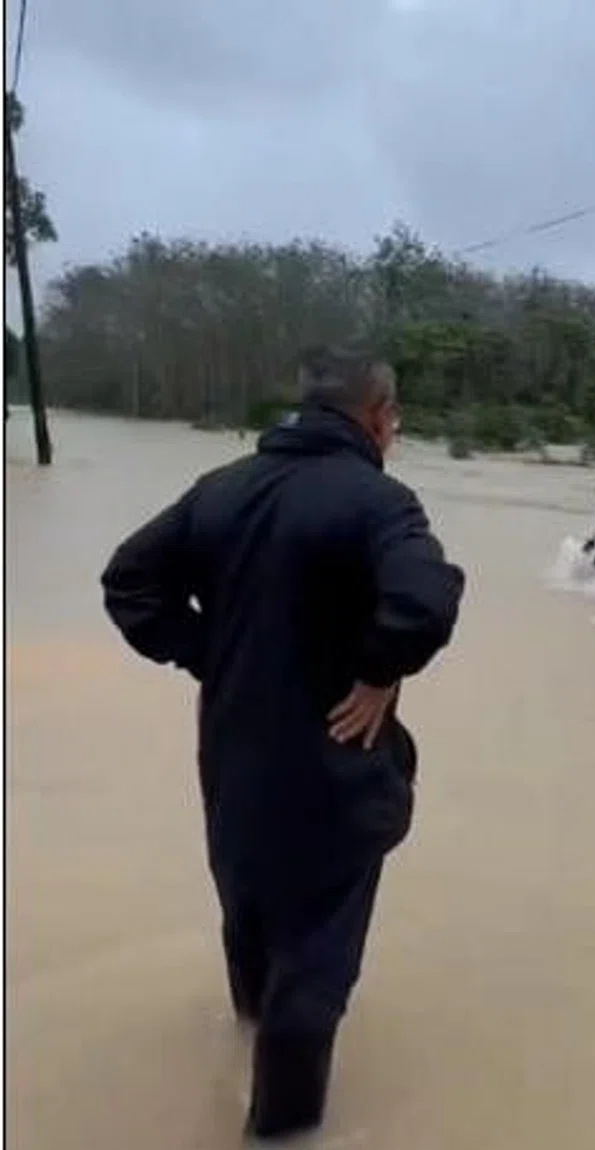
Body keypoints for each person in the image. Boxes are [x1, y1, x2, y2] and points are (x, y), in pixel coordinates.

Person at [100, 348, 465, 1142]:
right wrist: (378, 670)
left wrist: (209, 653)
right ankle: (280, 1131)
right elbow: (425, 601)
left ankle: (243, 1034)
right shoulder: (379, 502)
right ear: (378, 416)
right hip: (335, 757)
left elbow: (128, 581)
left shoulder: (220, 489)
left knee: (249, 906)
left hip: (231, 754)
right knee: (316, 953)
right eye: (394, 419)